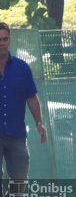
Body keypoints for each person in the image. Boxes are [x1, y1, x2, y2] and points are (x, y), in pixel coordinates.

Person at [0, 22, 47, 187]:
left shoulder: (22, 68)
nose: (2, 43)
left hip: (16, 133)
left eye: (5, 39)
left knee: (19, 180)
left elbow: (31, 97)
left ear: (10, 40)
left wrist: (39, 123)